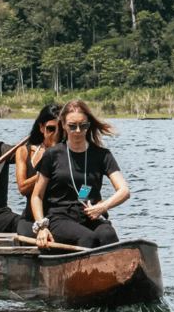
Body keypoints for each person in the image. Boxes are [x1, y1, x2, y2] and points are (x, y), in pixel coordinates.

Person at [31, 100, 130, 249]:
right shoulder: (52, 154)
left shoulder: (102, 155)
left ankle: (113, 269)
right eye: (72, 126)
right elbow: (36, 196)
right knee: (87, 238)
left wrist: (103, 207)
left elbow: (124, 190)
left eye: (82, 126)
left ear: (88, 125)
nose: (77, 131)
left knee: (107, 233)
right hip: (60, 218)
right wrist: (41, 227)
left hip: (89, 215)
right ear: (63, 125)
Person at [15, 103, 62, 237]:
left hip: (62, 216)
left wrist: (88, 202)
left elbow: (86, 184)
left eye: (60, 130)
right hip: (32, 218)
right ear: (41, 128)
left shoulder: (70, 152)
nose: (55, 135)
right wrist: (47, 172)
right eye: (51, 129)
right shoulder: (25, 151)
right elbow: (22, 188)